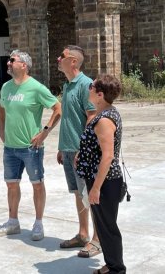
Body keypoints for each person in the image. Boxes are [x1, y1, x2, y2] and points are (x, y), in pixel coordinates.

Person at [0, 50, 61, 241]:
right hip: (10, 147)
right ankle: (13, 222)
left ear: (24, 65)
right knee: (11, 184)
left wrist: (45, 131)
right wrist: (1, 128)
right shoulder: (6, 87)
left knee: (37, 185)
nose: (8, 63)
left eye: (12, 60)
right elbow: (2, 107)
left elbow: (58, 108)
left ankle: (38, 224)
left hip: (31, 148)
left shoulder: (36, 87)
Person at [76, 74, 126, 274]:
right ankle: (110, 264)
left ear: (100, 94)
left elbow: (107, 157)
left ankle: (117, 269)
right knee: (104, 226)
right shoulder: (105, 112)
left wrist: (96, 188)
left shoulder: (105, 119)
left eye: (91, 86)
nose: (88, 89)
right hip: (101, 180)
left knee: (108, 228)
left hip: (105, 182)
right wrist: (83, 153)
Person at [57, 45, 101, 258]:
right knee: (77, 193)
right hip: (67, 150)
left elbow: (92, 117)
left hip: (79, 152)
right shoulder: (67, 85)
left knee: (89, 196)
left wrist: (82, 149)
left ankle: (97, 239)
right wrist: (61, 147)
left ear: (73, 61)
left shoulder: (86, 85)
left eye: (62, 56)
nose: (58, 58)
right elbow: (68, 118)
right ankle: (83, 234)